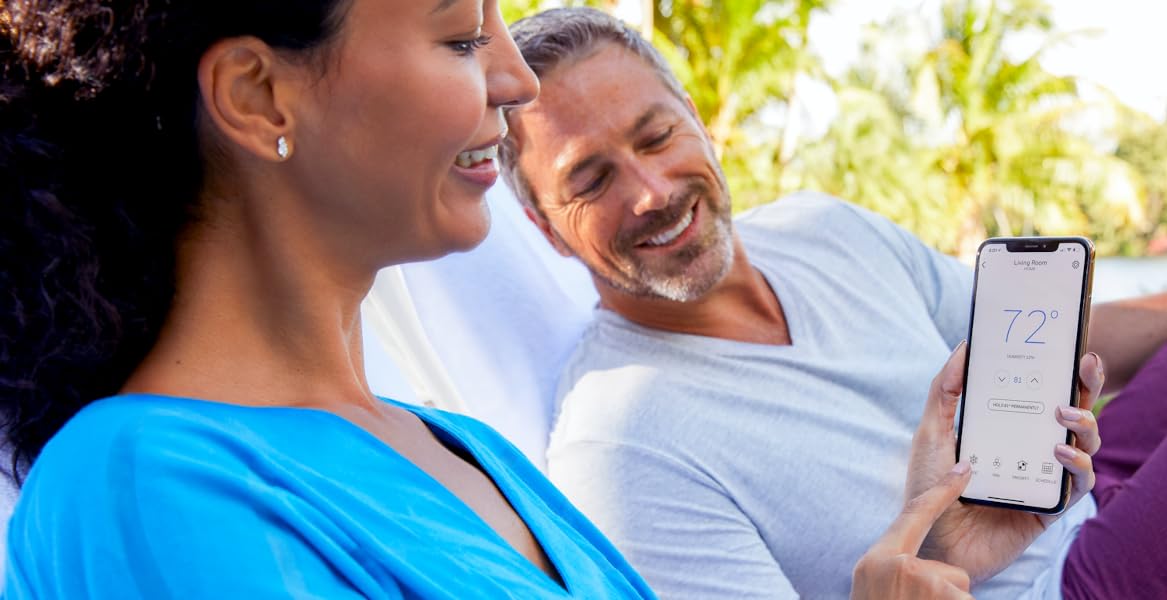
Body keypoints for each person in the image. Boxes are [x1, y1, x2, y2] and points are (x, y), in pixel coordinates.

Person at [0, 1, 1091, 598]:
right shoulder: (141, 484)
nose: (514, 80)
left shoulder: (475, 454)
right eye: (458, 36)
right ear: (256, 92)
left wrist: (932, 568)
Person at [498, 7, 1167, 598]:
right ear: (544, 227)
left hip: (1081, 501)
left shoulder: (820, 230)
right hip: (1068, 589)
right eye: (590, 180)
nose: (651, 191)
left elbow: (1058, 339)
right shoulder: (617, 444)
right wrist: (937, 546)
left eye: (657, 136)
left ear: (700, 124)